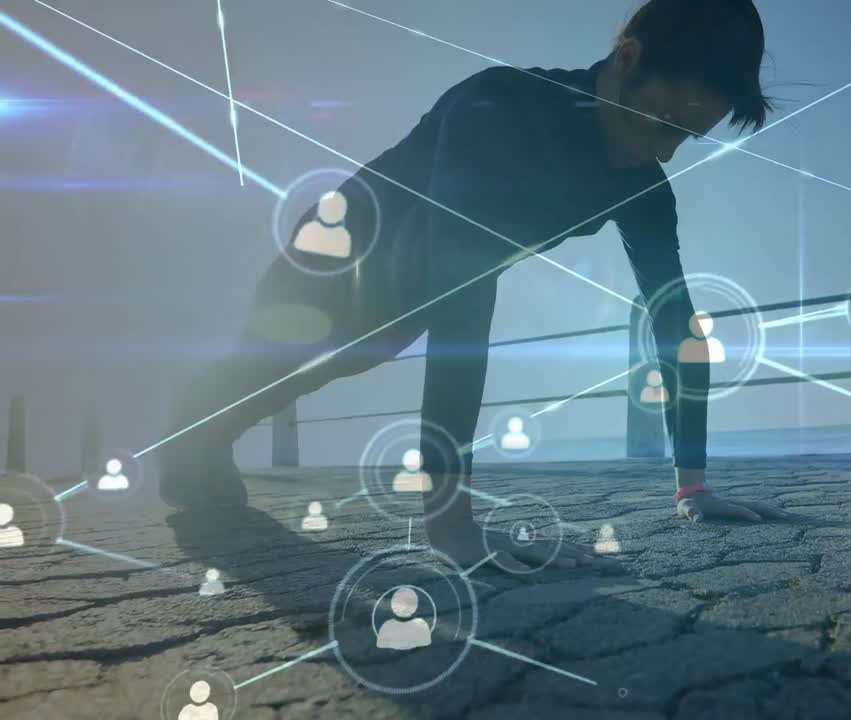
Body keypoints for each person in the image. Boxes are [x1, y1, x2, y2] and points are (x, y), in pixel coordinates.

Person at [157, 0, 787, 574]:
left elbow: (674, 322)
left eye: (687, 136)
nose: (667, 152)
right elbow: (464, 291)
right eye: (664, 122)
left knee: (349, 358)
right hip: (332, 251)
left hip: (415, 289)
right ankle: (191, 432)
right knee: (280, 363)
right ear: (628, 60)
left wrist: (692, 487)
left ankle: (207, 439)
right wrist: (450, 522)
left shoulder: (642, 184)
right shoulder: (498, 105)